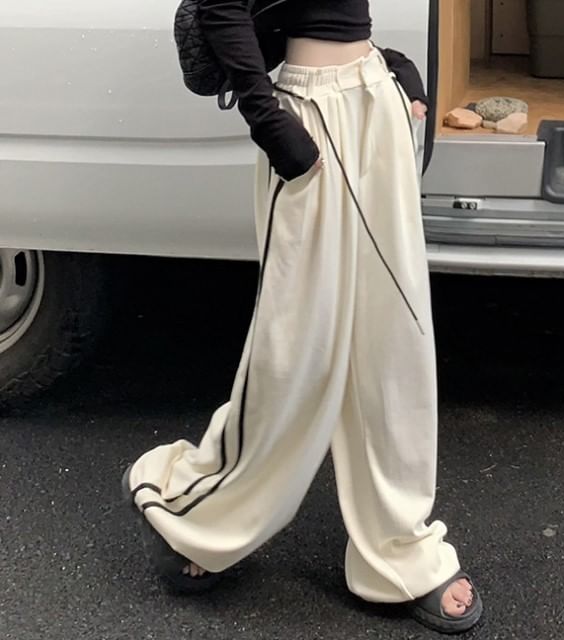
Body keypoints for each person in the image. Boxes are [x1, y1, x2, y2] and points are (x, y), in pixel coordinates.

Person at [122, 0, 483, 634]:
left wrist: (389, 64)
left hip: (373, 101)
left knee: (394, 340)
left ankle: (400, 547)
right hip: (309, 119)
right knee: (296, 348)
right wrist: (268, 120)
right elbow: (222, 6)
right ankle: (200, 513)